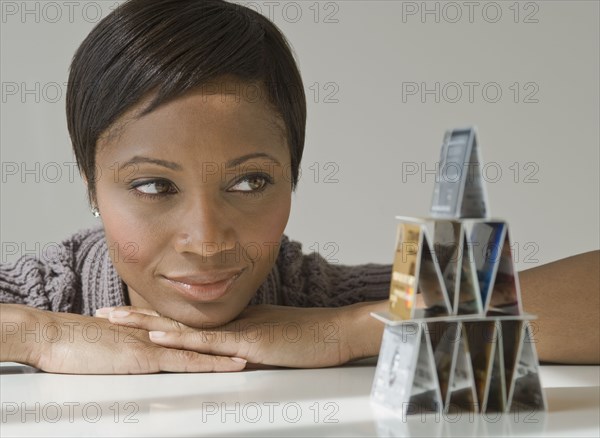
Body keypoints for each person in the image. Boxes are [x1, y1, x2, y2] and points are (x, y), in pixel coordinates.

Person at [0, 0, 598, 374]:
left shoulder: (312, 294)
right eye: (154, 186)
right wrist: (36, 335)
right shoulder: (47, 292)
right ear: (91, 186)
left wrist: (347, 331)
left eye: (250, 181)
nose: (207, 240)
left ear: (293, 174)